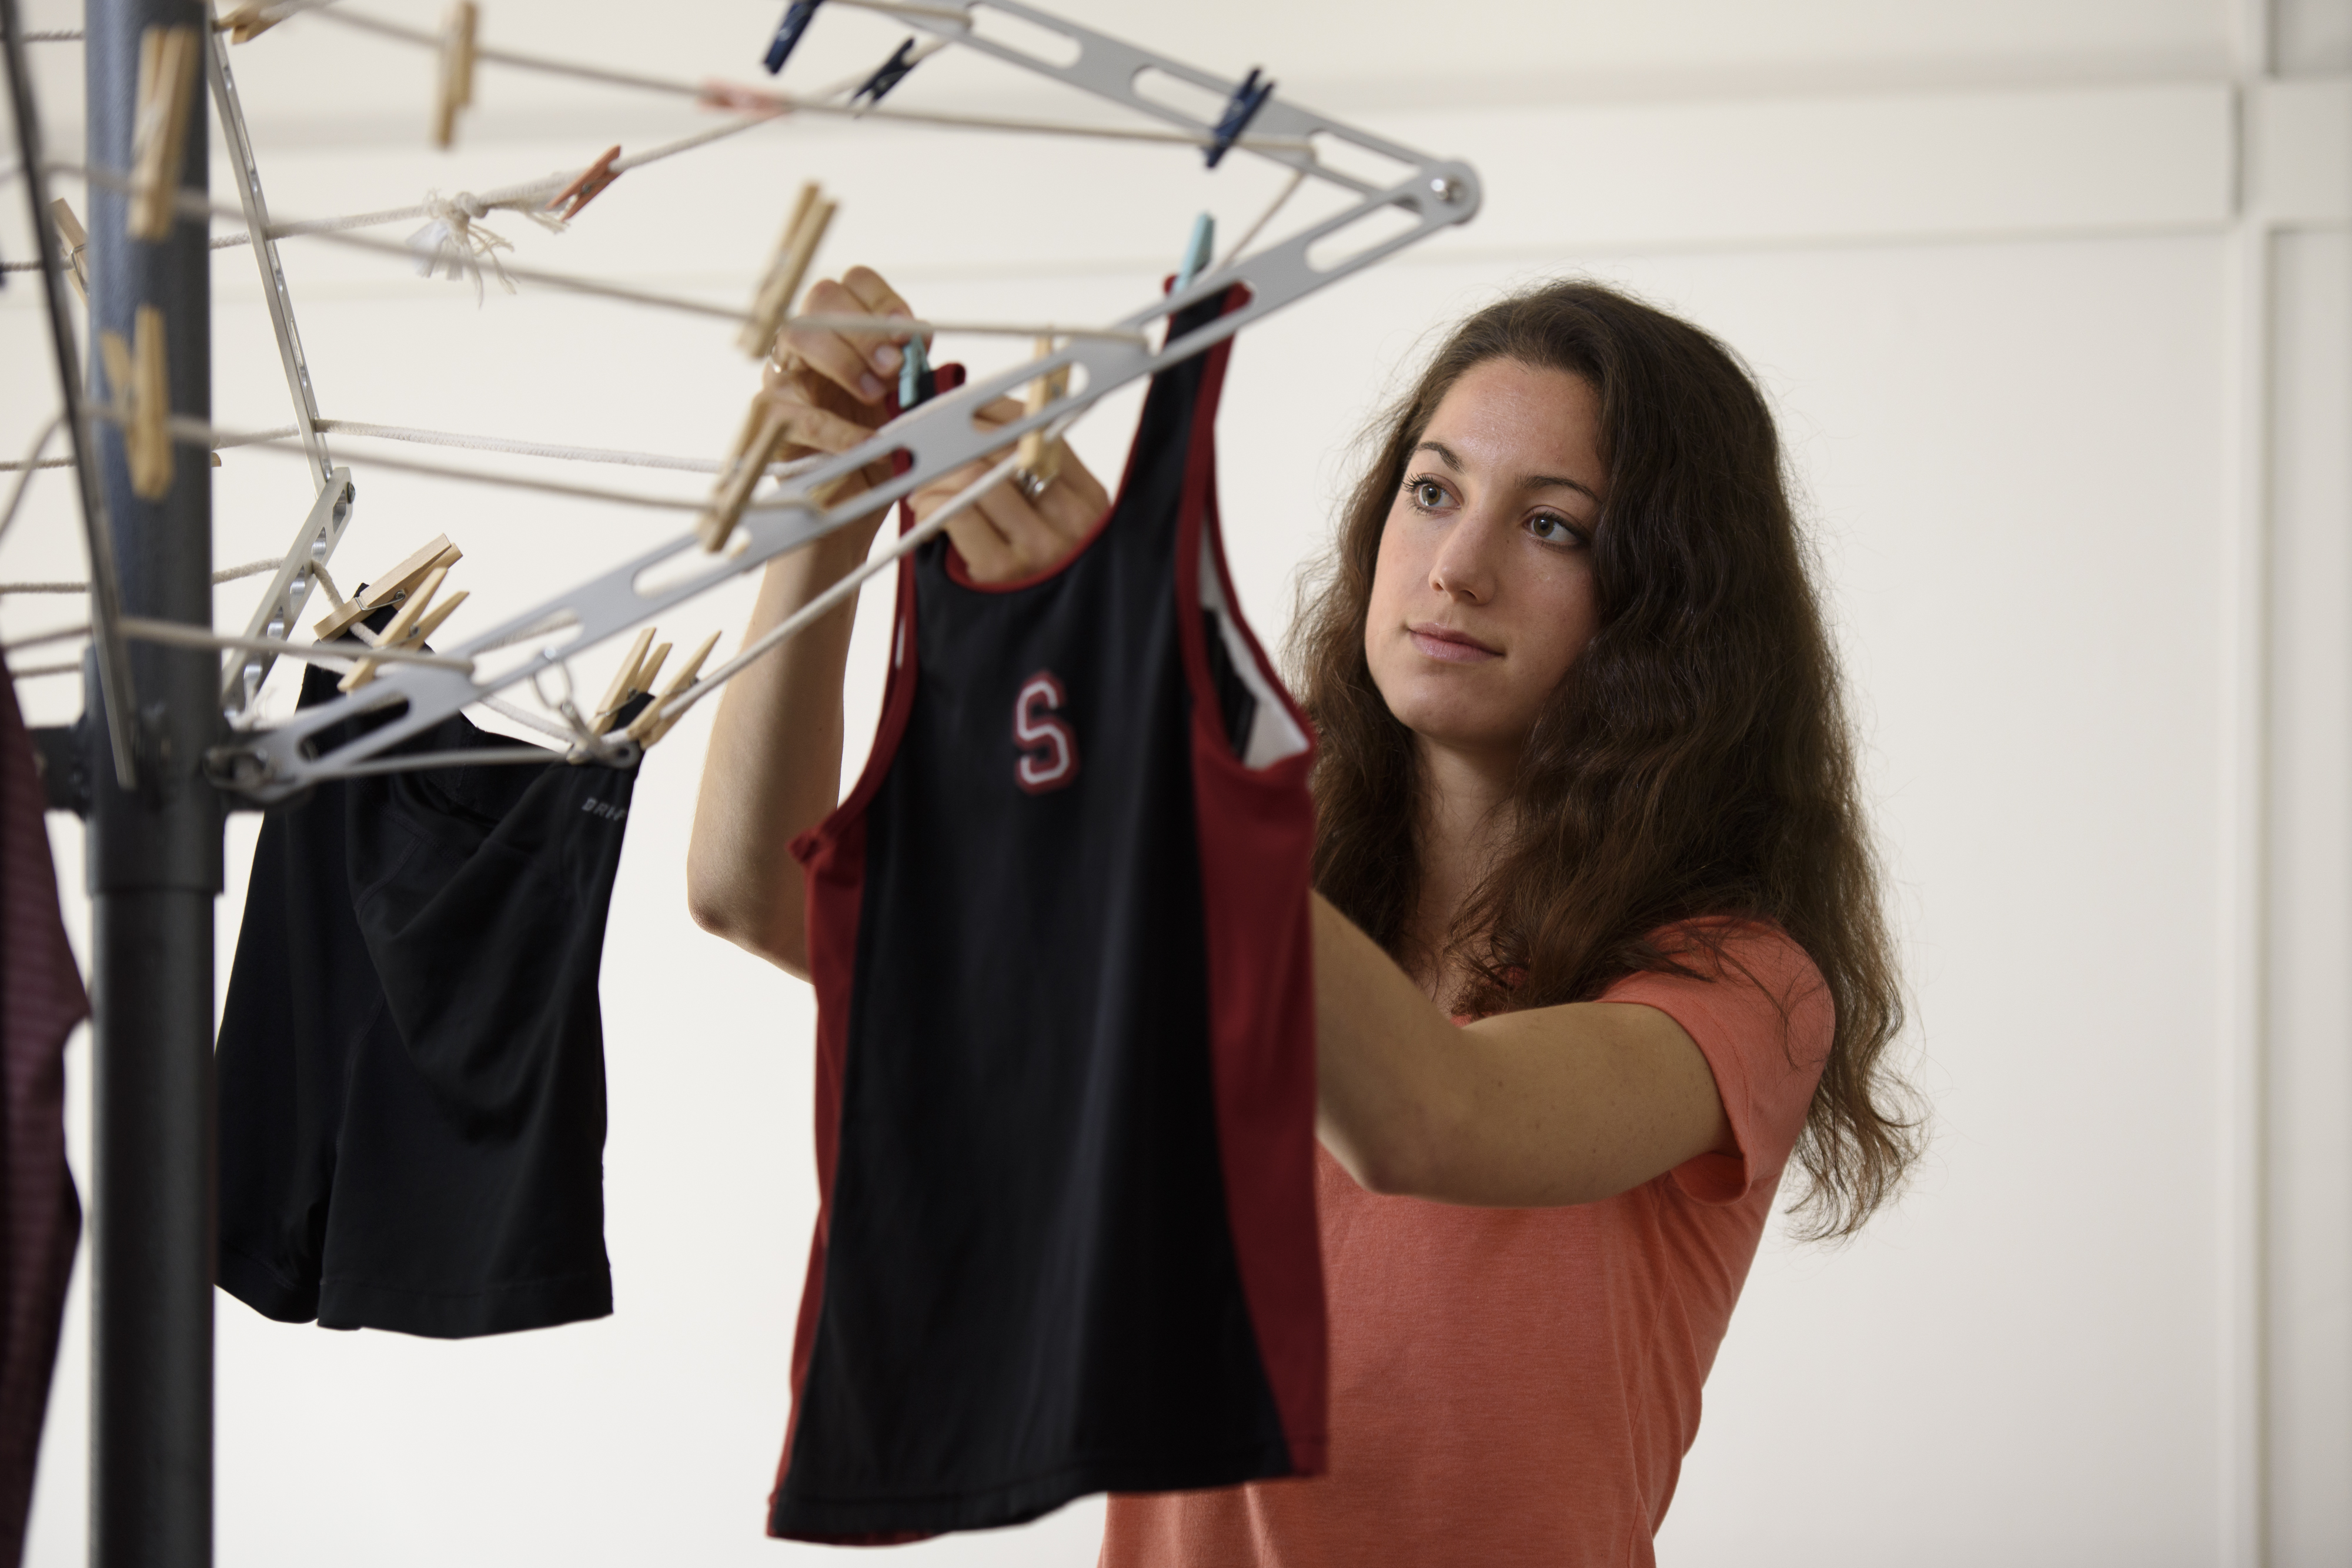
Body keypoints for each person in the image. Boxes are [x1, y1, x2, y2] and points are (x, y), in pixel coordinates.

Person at [686, 269, 1918, 1566]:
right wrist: (823, 519)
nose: (1456, 566)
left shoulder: (1743, 985)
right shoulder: (1226, 908)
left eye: (1552, 525)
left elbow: (1428, 1114)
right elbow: (755, 888)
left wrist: (1142, 712)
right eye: (1431, 491)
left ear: (1672, 607)